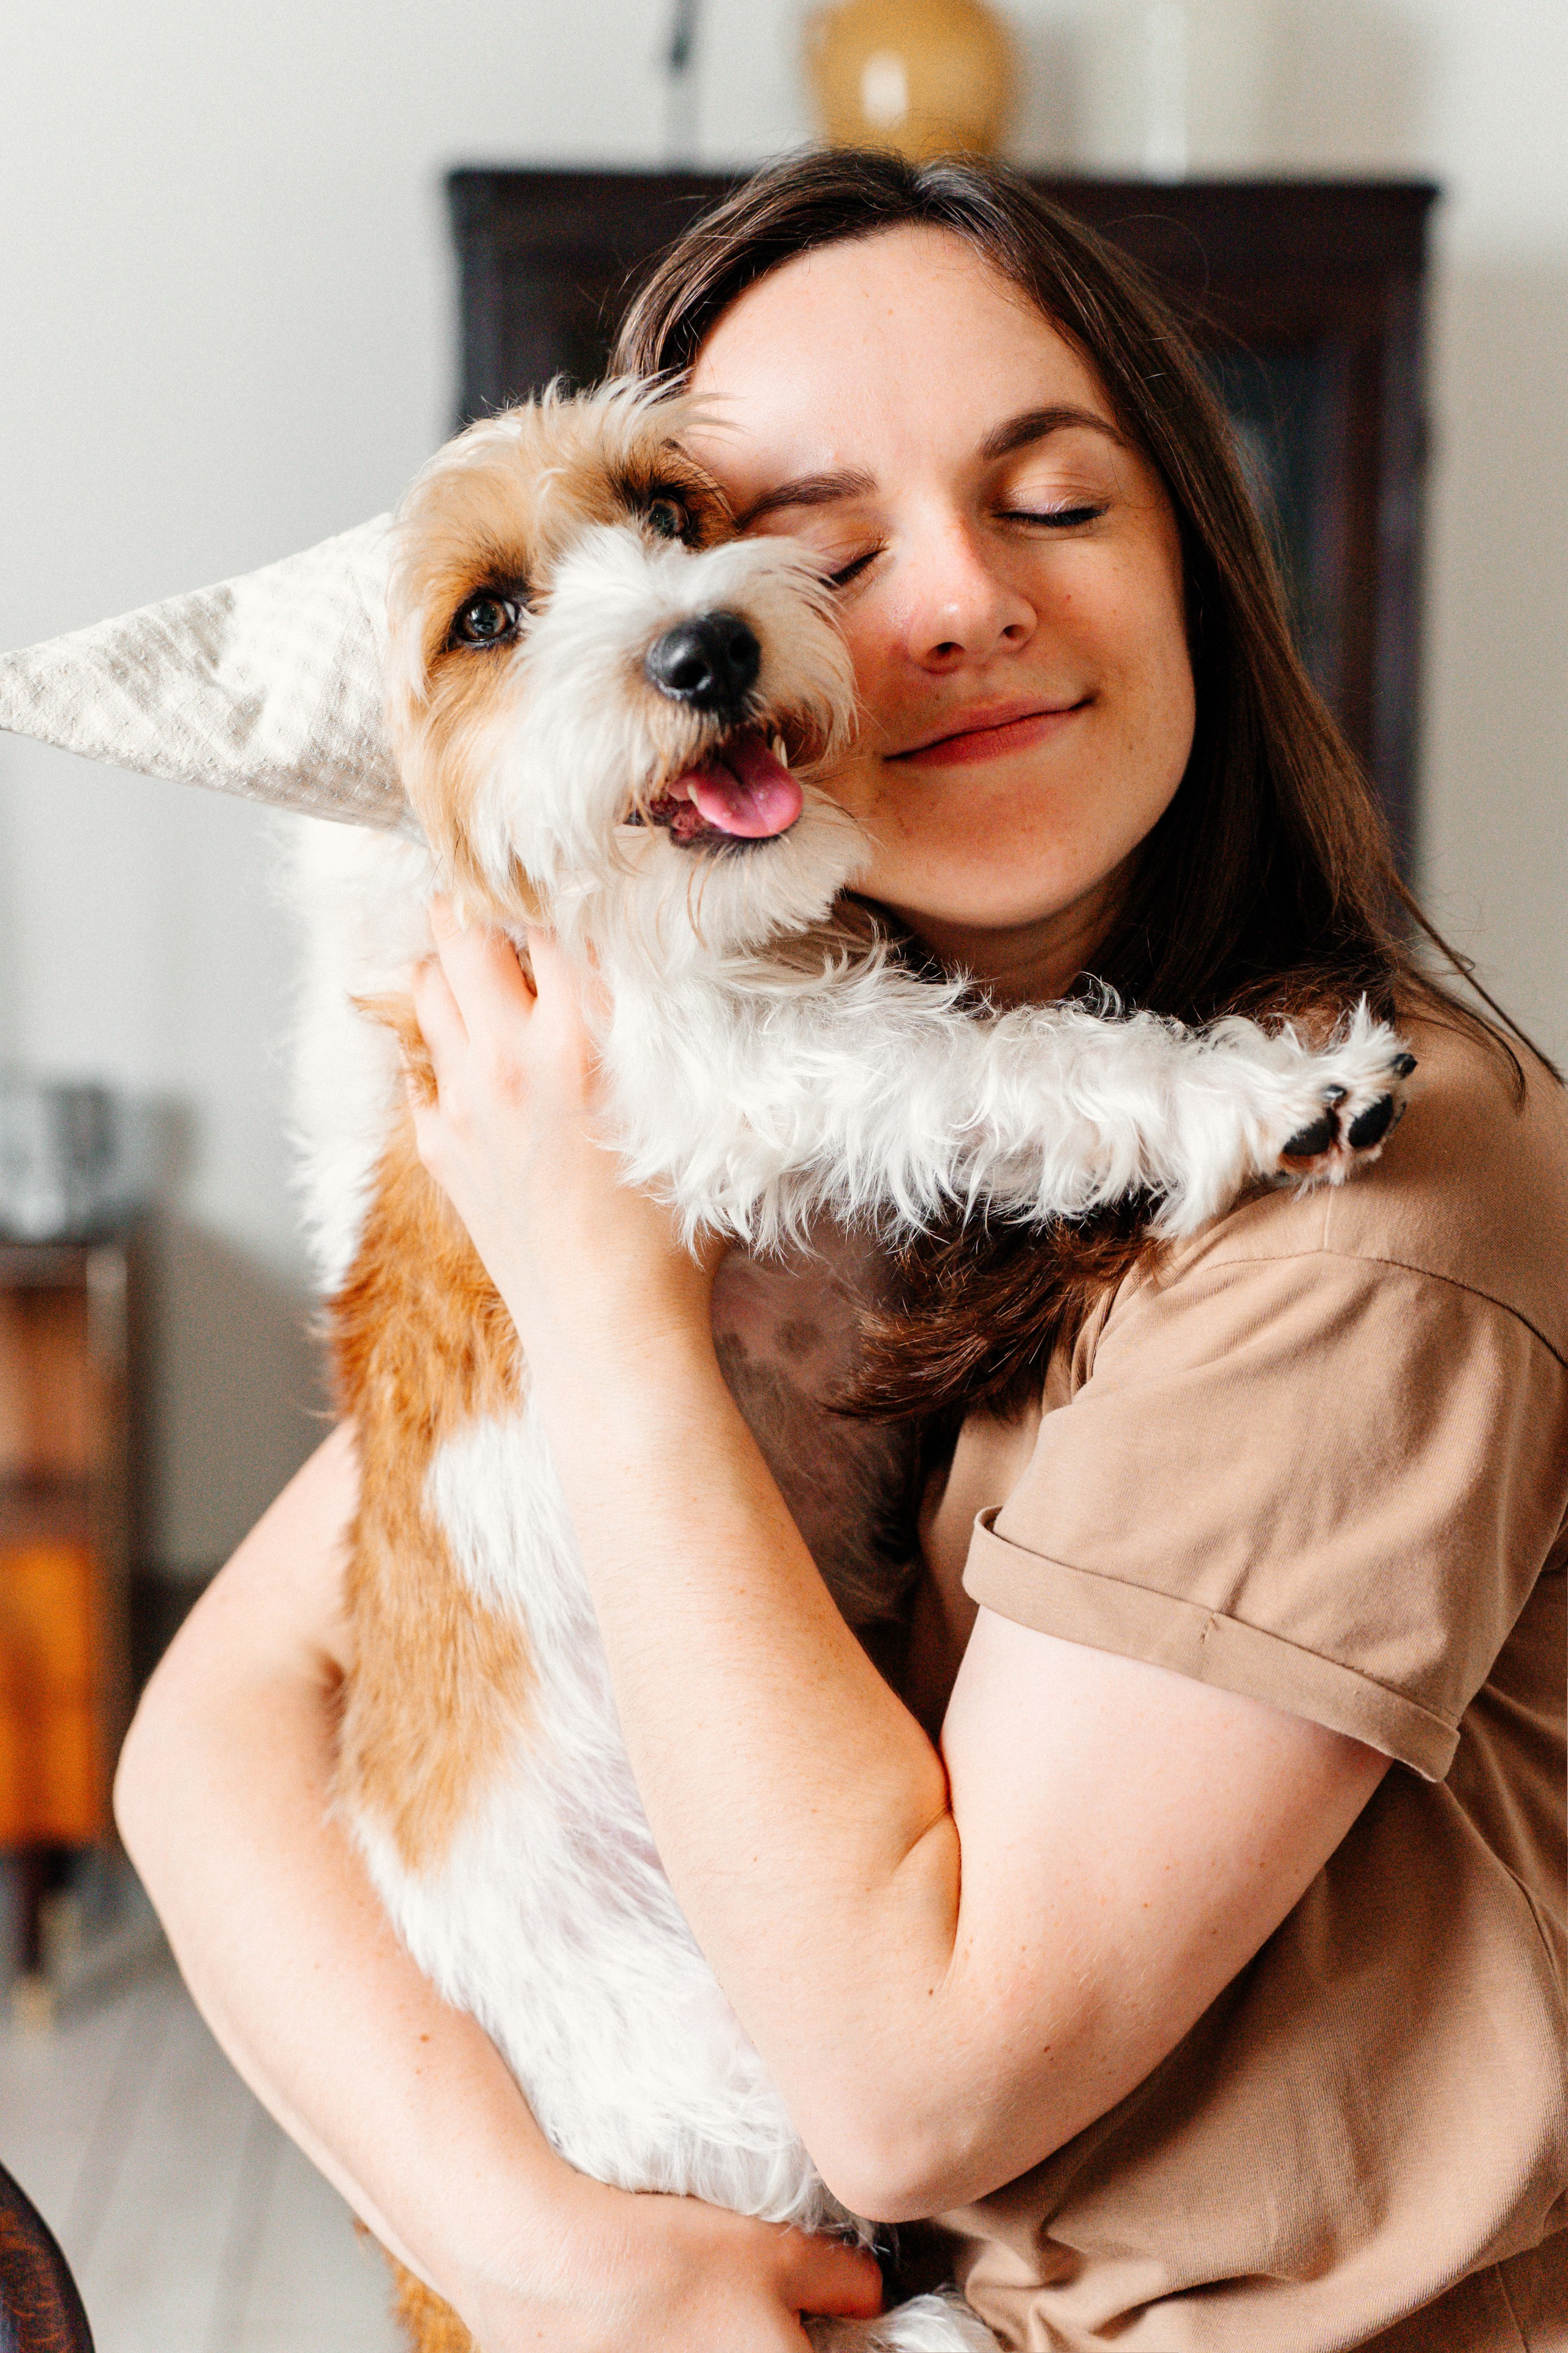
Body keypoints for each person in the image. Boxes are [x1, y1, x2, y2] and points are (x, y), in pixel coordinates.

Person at [115, 154, 1567, 2352]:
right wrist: (531, 2244)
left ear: (1205, 556)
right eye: (822, 547)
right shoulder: (746, 1105)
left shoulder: (1354, 1194)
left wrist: (599, 1294)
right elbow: (208, 1729)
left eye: (1055, 499)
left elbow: (905, 2097)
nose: (958, 600)